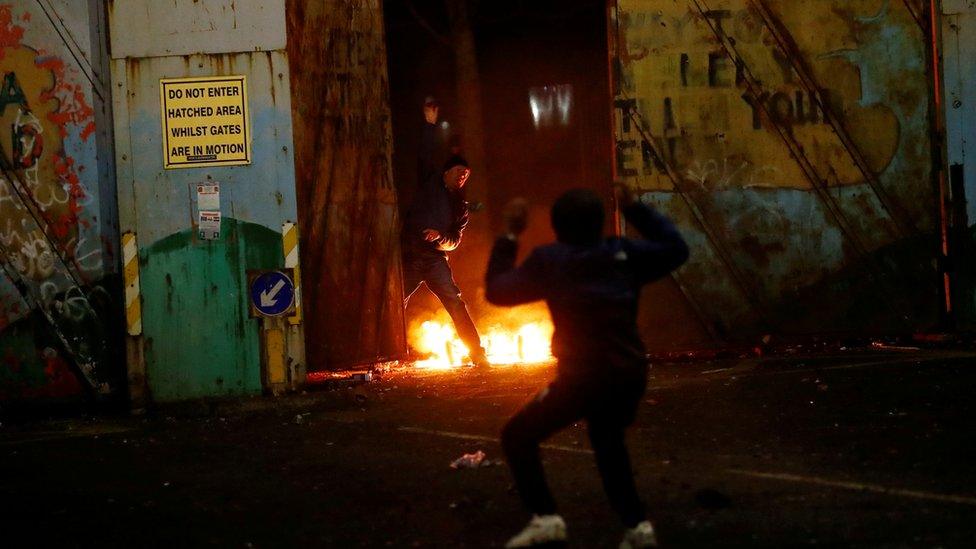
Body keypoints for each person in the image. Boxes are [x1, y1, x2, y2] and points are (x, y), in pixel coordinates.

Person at [485, 186, 689, 548]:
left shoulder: (551, 260)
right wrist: (636, 210)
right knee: (608, 440)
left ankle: (546, 519)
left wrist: (511, 234)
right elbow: (677, 248)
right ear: (600, 224)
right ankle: (637, 527)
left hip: (583, 378)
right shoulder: (623, 253)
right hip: (629, 373)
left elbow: (498, 291)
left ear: (557, 227)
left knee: (518, 435)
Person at [402, 99, 489, 369]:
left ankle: (477, 353)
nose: (463, 177)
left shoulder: (459, 207)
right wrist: (429, 124)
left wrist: (439, 237)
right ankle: (385, 351)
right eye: (460, 172)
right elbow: (425, 153)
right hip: (410, 255)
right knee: (394, 303)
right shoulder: (430, 181)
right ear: (447, 172)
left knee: (455, 302)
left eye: (467, 175)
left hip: (435, 260)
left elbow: (454, 240)